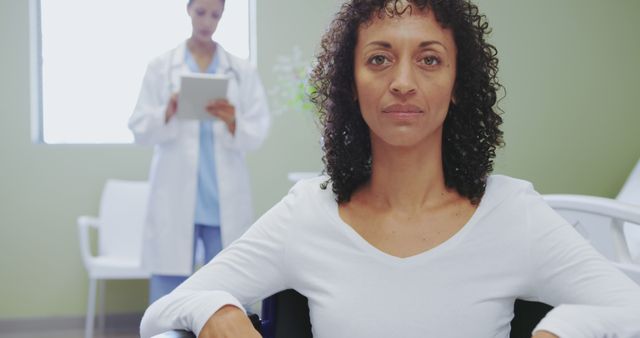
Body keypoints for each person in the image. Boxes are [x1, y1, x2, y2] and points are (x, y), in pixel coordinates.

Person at [139, 0, 640, 337]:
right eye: (379, 59)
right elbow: (164, 309)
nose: (402, 82)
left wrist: (562, 330)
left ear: (457, 82)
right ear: (349, 83)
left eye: (429, 59)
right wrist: (218, 311)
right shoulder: (308, 214)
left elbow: (630, 308)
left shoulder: (513, 213)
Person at [129, 0, 270, 304]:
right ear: (189, 10)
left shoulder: (240, 70)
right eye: (201, 12)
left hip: (222, 199)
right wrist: (167, 111)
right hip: (176, 195)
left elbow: (258, 130)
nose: (207, 21)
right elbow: (139, 127)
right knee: (168, 287)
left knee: (228, 285)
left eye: (215, 15)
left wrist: (233, 120)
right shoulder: (161, 66)